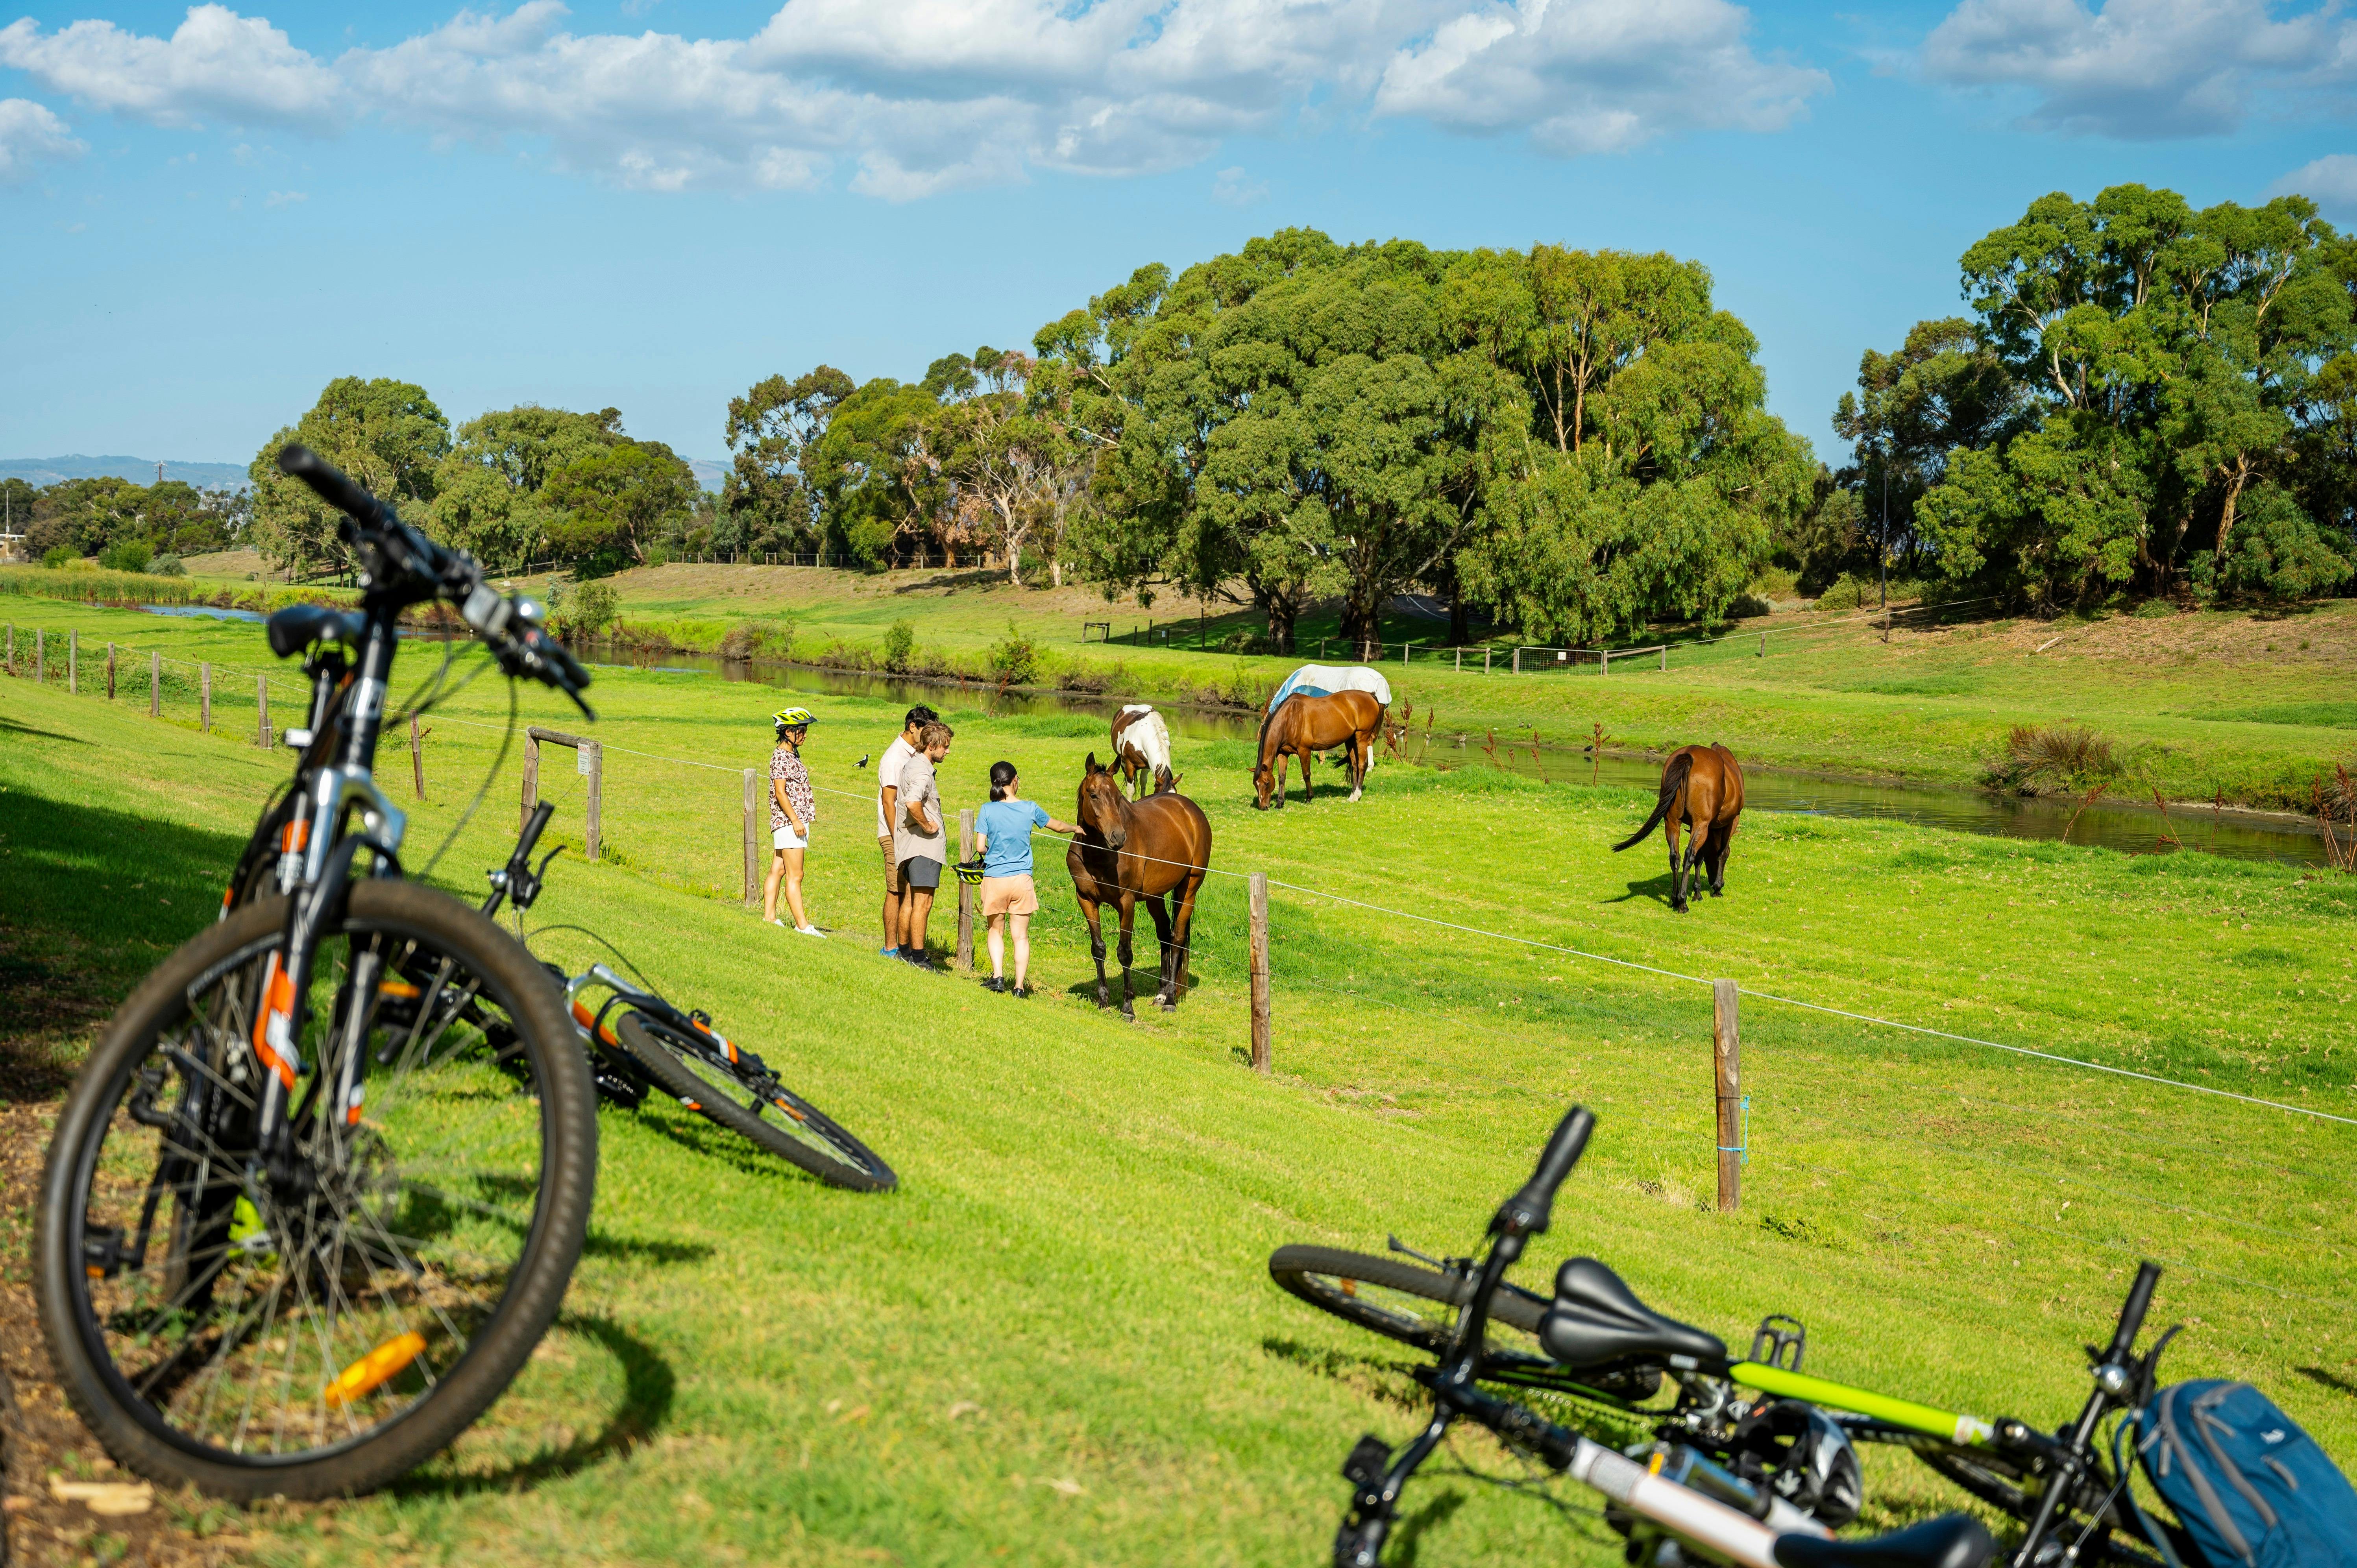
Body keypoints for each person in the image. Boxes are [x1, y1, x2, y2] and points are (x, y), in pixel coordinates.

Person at [973, 760, 1077, 997]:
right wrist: (1076, 828)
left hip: (996, 879)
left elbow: (980, 847)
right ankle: (1019, 988)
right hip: (1022, 881)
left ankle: (998, 977)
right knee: (1020, 936)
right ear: (1016, 780)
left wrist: (991, 852)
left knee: (995, 931)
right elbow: (1057, 826)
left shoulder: (987, 810)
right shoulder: (1030, 808)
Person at [874, 704, 940, 958]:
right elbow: (888, 801)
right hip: (896, 835)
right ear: (913, 727)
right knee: (896, 890)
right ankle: (891, 948)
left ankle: (906, 948)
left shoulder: (914, 754)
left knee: (910, 891)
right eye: (926, 732)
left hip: (909, 836)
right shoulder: (894, 758)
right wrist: (896, 838)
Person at [893, 720, 954, 969]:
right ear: (932, 746)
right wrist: (928, 826)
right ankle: (919, 958)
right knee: (923, 903)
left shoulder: (914, 764)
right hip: (923, 848)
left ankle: (904, 952)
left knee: (910, 899)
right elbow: (912, 802)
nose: (948, 752)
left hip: (910, 846)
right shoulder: (922, 771)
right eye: (945, 747)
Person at [763, 708, 824, 936]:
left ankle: (769, 917)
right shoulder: (781, 757)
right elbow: (780, 792)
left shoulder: (790, 755)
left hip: (789, 822)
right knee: (796, 875)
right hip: (790, 823)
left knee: (778, 869)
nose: (806, 735)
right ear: (789, 732)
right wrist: (796, 820)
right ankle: (803, 926)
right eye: (802, 731)